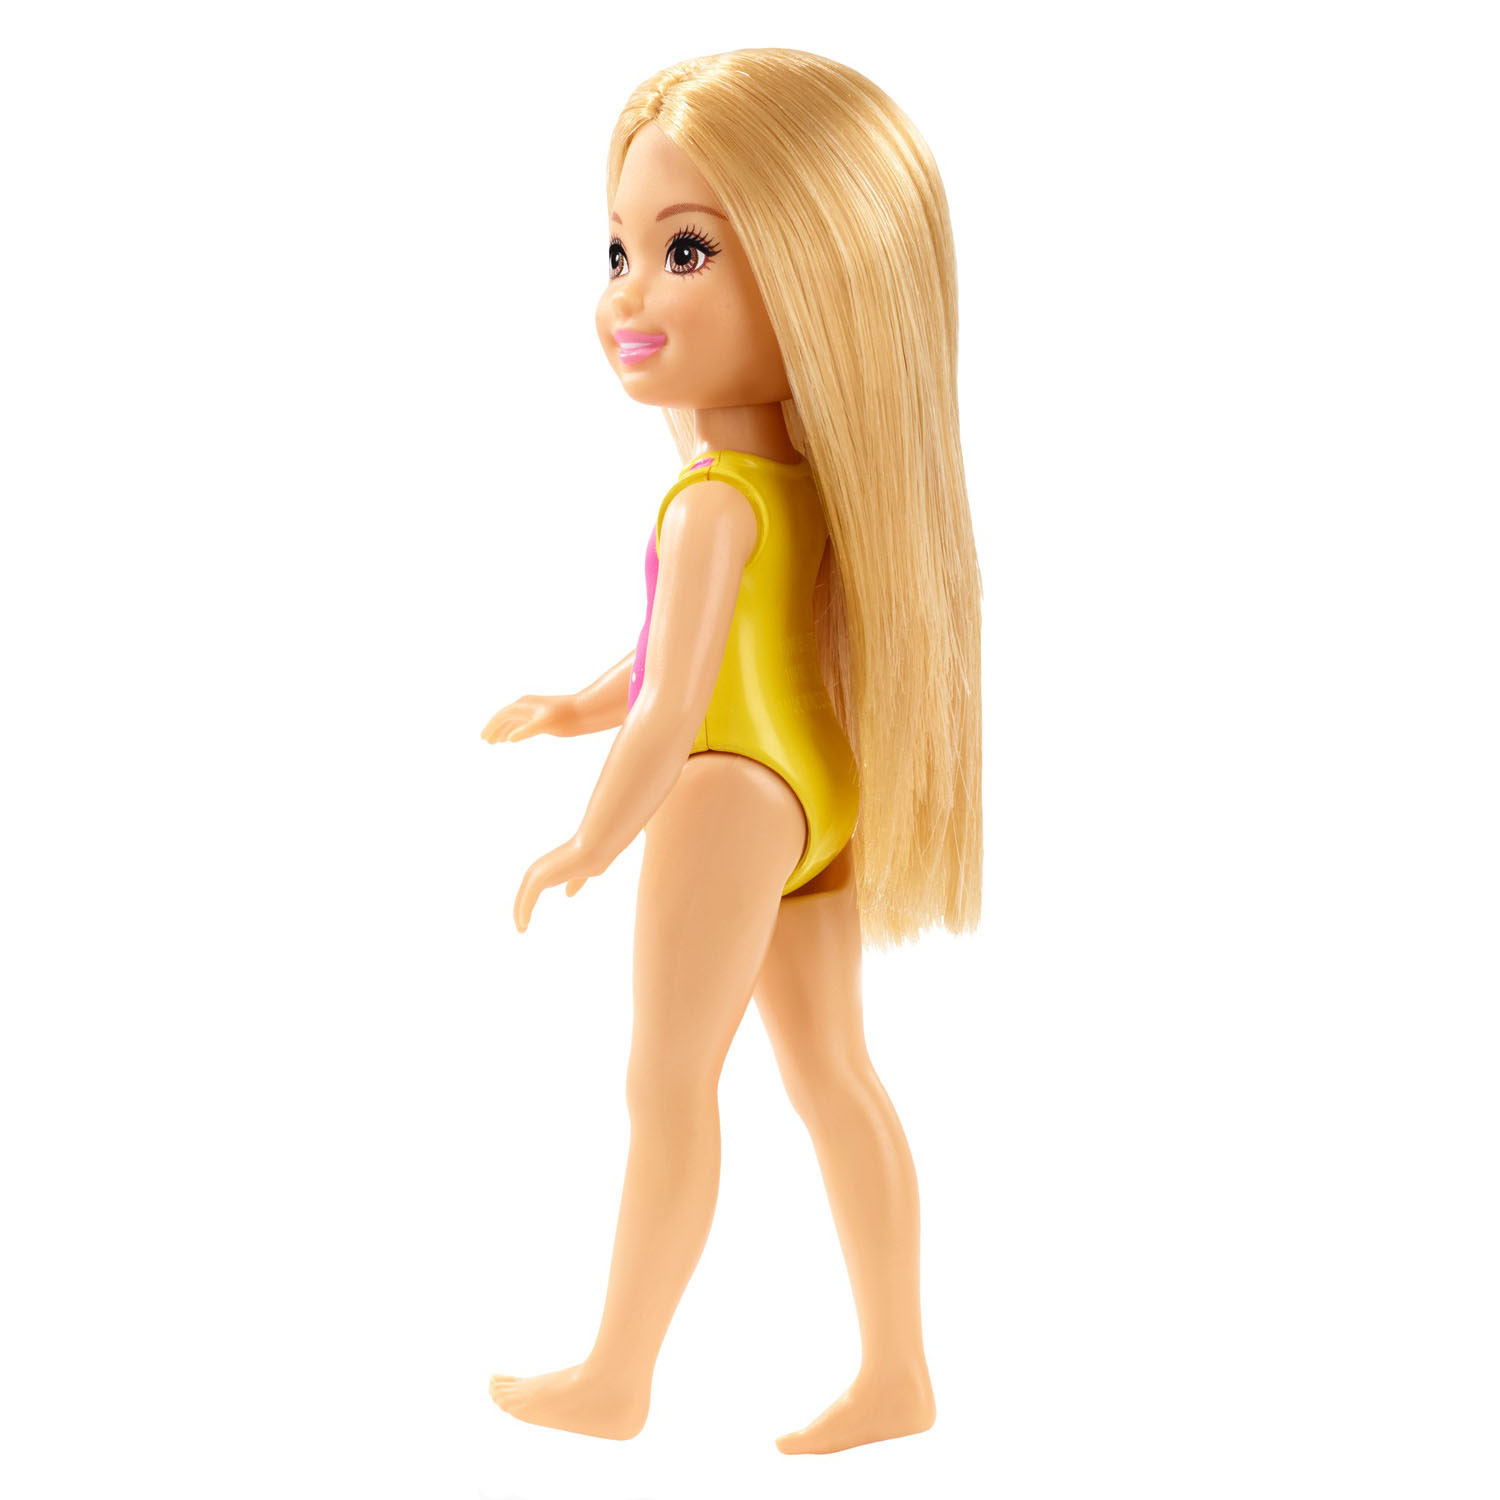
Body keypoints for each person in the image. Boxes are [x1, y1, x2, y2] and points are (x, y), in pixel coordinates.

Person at [481, 47, 982, 1454]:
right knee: (835, 1076)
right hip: (819, 794)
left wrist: (592, 837)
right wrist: (572, 705)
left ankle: (615, 1376)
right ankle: (898, 1374)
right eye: (619, 251)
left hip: (727, 793)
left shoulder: (711, 501)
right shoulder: (819, 484)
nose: (628, 296)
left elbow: (678, 704)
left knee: (666, 1083)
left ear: (821, 278)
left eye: (684, 250)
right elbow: (672, 659)